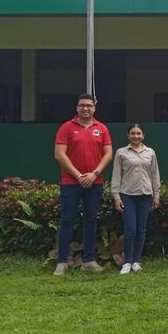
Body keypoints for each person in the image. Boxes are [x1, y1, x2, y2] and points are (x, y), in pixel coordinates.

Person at [52, 93, 113, 276]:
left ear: (94, 108)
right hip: (70, 182)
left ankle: (88, 260)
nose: (85, 108)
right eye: (82, 105)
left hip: (95, 182)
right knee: (67, 220)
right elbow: (59, 154)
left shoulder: (101, 128)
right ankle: (62, 261)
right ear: (77, 108)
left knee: (91, 220)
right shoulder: (66, 128)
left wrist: (94, 174)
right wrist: (79, 176)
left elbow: (108, 154)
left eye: (89, 105)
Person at [111, 124, 161, 274]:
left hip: (145, 195)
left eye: (139, 133)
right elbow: (116, 175)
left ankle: (136, 261)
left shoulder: (150, 152)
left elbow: (155, 174)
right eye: (133, 133)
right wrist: (116, 196)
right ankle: (127, 262)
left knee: (141, 230)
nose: (136, 136)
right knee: (130, 229)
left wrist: (156, 194)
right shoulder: (121, 152)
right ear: (128, 136)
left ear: (143, 135)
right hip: (127, 195)